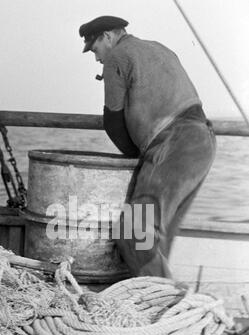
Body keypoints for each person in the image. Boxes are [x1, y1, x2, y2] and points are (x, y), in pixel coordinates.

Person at [79, 16, 216, 278]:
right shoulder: (159, 48)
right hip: (203, 141)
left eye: (95, 49)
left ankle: (161, 305)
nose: (97, 59)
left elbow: (113, 122)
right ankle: (169, 302)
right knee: (156, 238)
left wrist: (136, 157)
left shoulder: (117, 57)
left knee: (134, 232)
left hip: (174, 144)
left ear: (107, 36)